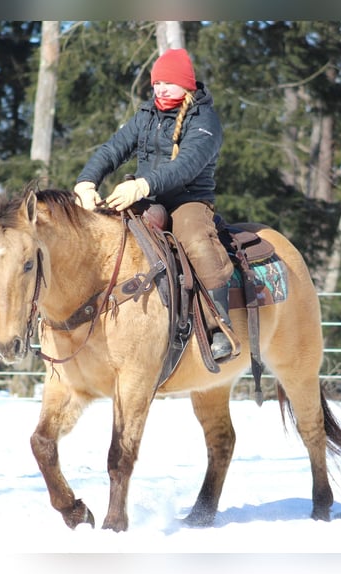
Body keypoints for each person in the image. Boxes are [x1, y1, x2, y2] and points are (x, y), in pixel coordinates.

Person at [73, 48, 234, 361]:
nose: (160, 89)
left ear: (187, 84)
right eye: (157, 83)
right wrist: (86, 182)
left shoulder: (205, 120)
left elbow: (187, 164)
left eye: (168, 83)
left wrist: (142, 184)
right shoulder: (146, 115)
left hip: (188, 200)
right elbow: (112, 150)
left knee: (197, 242)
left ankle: (219, 327)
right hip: (147, 197)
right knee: (107, 231)